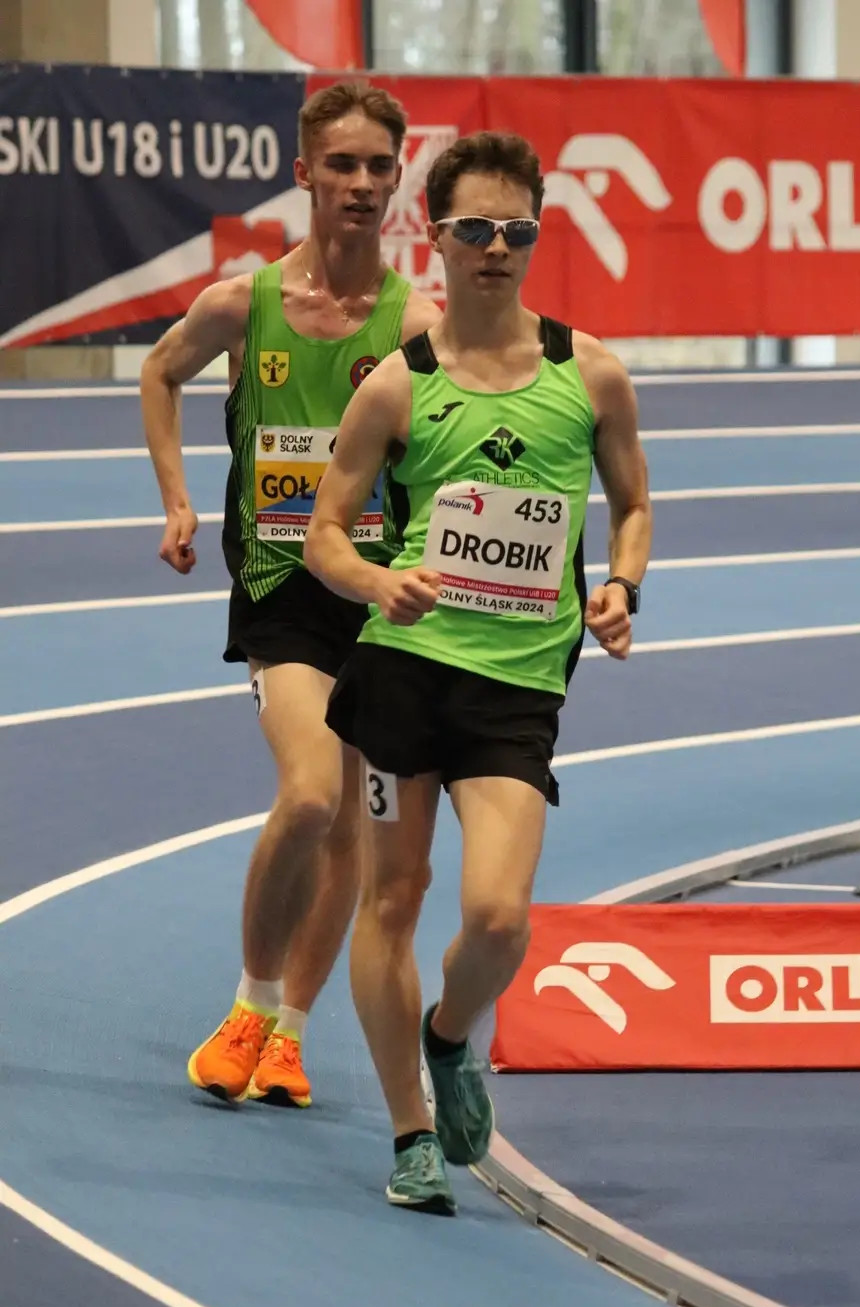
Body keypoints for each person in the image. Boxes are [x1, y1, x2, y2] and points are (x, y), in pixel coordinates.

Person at [304, 131, 651, 1213]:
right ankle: (410, 1130)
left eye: (516, 230)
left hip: (515, 688)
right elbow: (322, 532)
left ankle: (448, 1037)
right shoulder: (395, 389)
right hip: (402, 671)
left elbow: (634, 505)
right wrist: (374, 583)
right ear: (437, 238)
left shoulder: (588, 371)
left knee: (499, 918)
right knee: (393, 896)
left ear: (535, 237)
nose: (495, 248)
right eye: (473, 230)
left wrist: (622, 587)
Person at [140, 82, 440, 1108]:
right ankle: (249, 1001)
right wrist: (179, 503)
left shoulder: (419, 325)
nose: (361, 184)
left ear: (397, 181)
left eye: (379, 168)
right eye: (342, 165)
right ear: (305, 172)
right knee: (311, 794)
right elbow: (159, 372)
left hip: (378, 596)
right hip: (282, 590)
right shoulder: (247, 304)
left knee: (355, 825)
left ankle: (290, 1035)